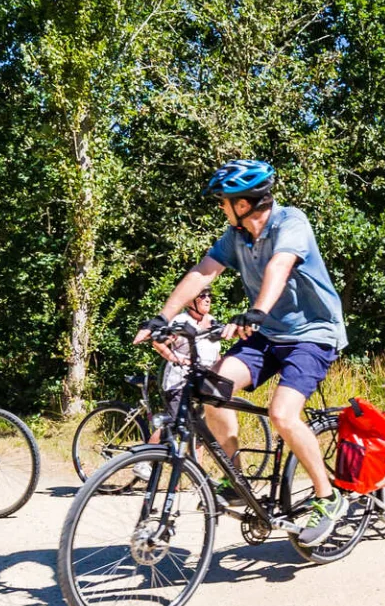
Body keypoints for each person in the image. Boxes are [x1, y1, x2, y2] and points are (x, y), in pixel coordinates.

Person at [136, 160, 350, 546]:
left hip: (312, 335)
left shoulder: (291, 222)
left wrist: (257, 311)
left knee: (282, 414)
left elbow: (280, 267)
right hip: (267, 334)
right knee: (211, 388)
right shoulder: (235, 236)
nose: (221, 207)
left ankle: (328, 497)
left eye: (224, 201)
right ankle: (235, 478)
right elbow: (204, 271)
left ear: (244, 202)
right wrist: (161, 317)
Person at [136, 287, 223, 444]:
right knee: (174, 424)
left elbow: (216, 354)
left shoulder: (212, 321)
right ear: (190, 301)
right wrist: (175, 358)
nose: (208, 299)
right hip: (180, 381)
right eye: (202, 296)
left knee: (199, 430)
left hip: (203, 383)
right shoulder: (181, 322)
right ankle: (143, 463)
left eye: (209, 295)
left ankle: (196, 468)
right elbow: (158, 343)